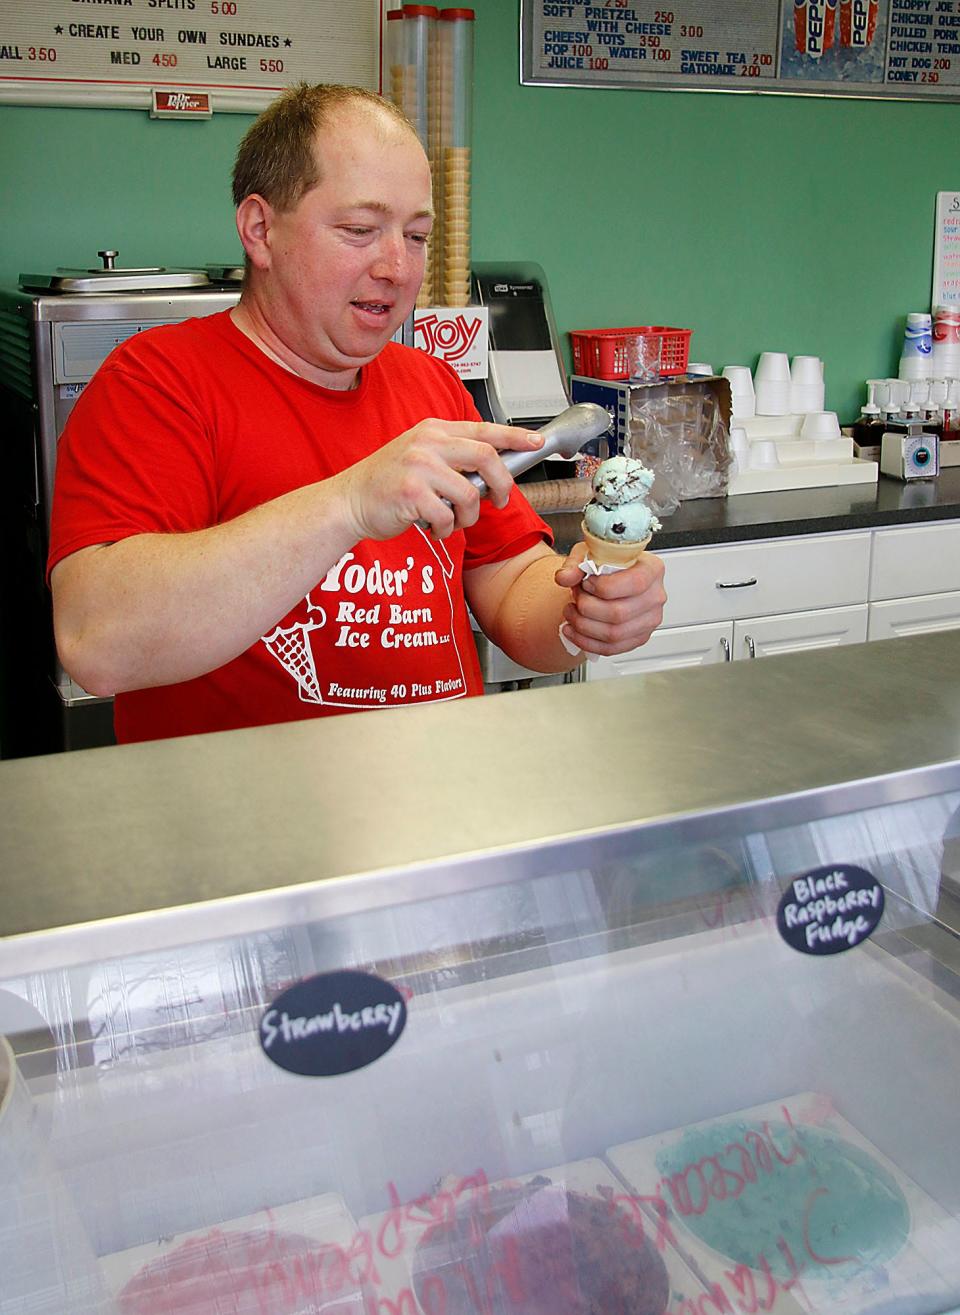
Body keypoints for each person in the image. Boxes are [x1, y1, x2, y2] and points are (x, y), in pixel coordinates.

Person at [48, 83, 665, 743]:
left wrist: (581, 612)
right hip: (244, 829)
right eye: (360, 230)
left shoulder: (429, 385)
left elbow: (511, 581)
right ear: (259, 230)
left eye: (417, 234)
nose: (398, 267)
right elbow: (96, 639)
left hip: (434, 811)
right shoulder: (156, 383)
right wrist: (348, 504)